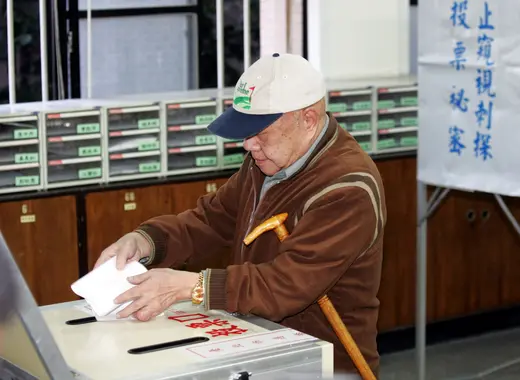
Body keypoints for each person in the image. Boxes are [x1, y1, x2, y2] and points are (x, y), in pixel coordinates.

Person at [95, 53, 386, 377]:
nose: (248, 145)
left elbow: (285, 284)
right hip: (263, 340)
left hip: (324, 362)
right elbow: (211, 220)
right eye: (246, 132)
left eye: (261, 130)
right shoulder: (267, 161)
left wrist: (191, 286)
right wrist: (148, 241)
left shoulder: (347, 189)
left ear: (308, 119)